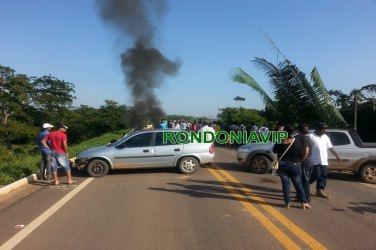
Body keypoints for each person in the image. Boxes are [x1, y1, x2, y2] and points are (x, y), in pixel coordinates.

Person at [273, 125, 311, 209]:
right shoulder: (298, 141)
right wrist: (300, 160)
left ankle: (287, 202)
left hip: (282, 165)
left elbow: (274, 150)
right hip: (295, 165)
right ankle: (304, 202)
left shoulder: (280, 141)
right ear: (293, 132)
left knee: (285, 184)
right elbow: (303, 152)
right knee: (298, 184)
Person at [308, 122, 341, 199]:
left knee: (323, 176)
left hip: (323, 160)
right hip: (314, 160)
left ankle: (319, 191)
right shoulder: (310, 136)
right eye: (322, 128)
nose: (323, 130)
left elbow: (330, 147)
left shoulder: (325, 137)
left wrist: (336, 155)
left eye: (324, 129)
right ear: (316, 128)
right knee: (316, 175)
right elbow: (306, 147)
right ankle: (304, 186)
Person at [295, 123, 312, 202]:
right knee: (302, 181)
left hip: (304, 163)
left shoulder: (304, 139)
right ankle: (301, 196)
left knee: (304, 182)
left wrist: (300, 160)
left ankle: (306, 198)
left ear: (298, 130)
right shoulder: (307, 138)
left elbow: (306, 151)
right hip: (307, 162)